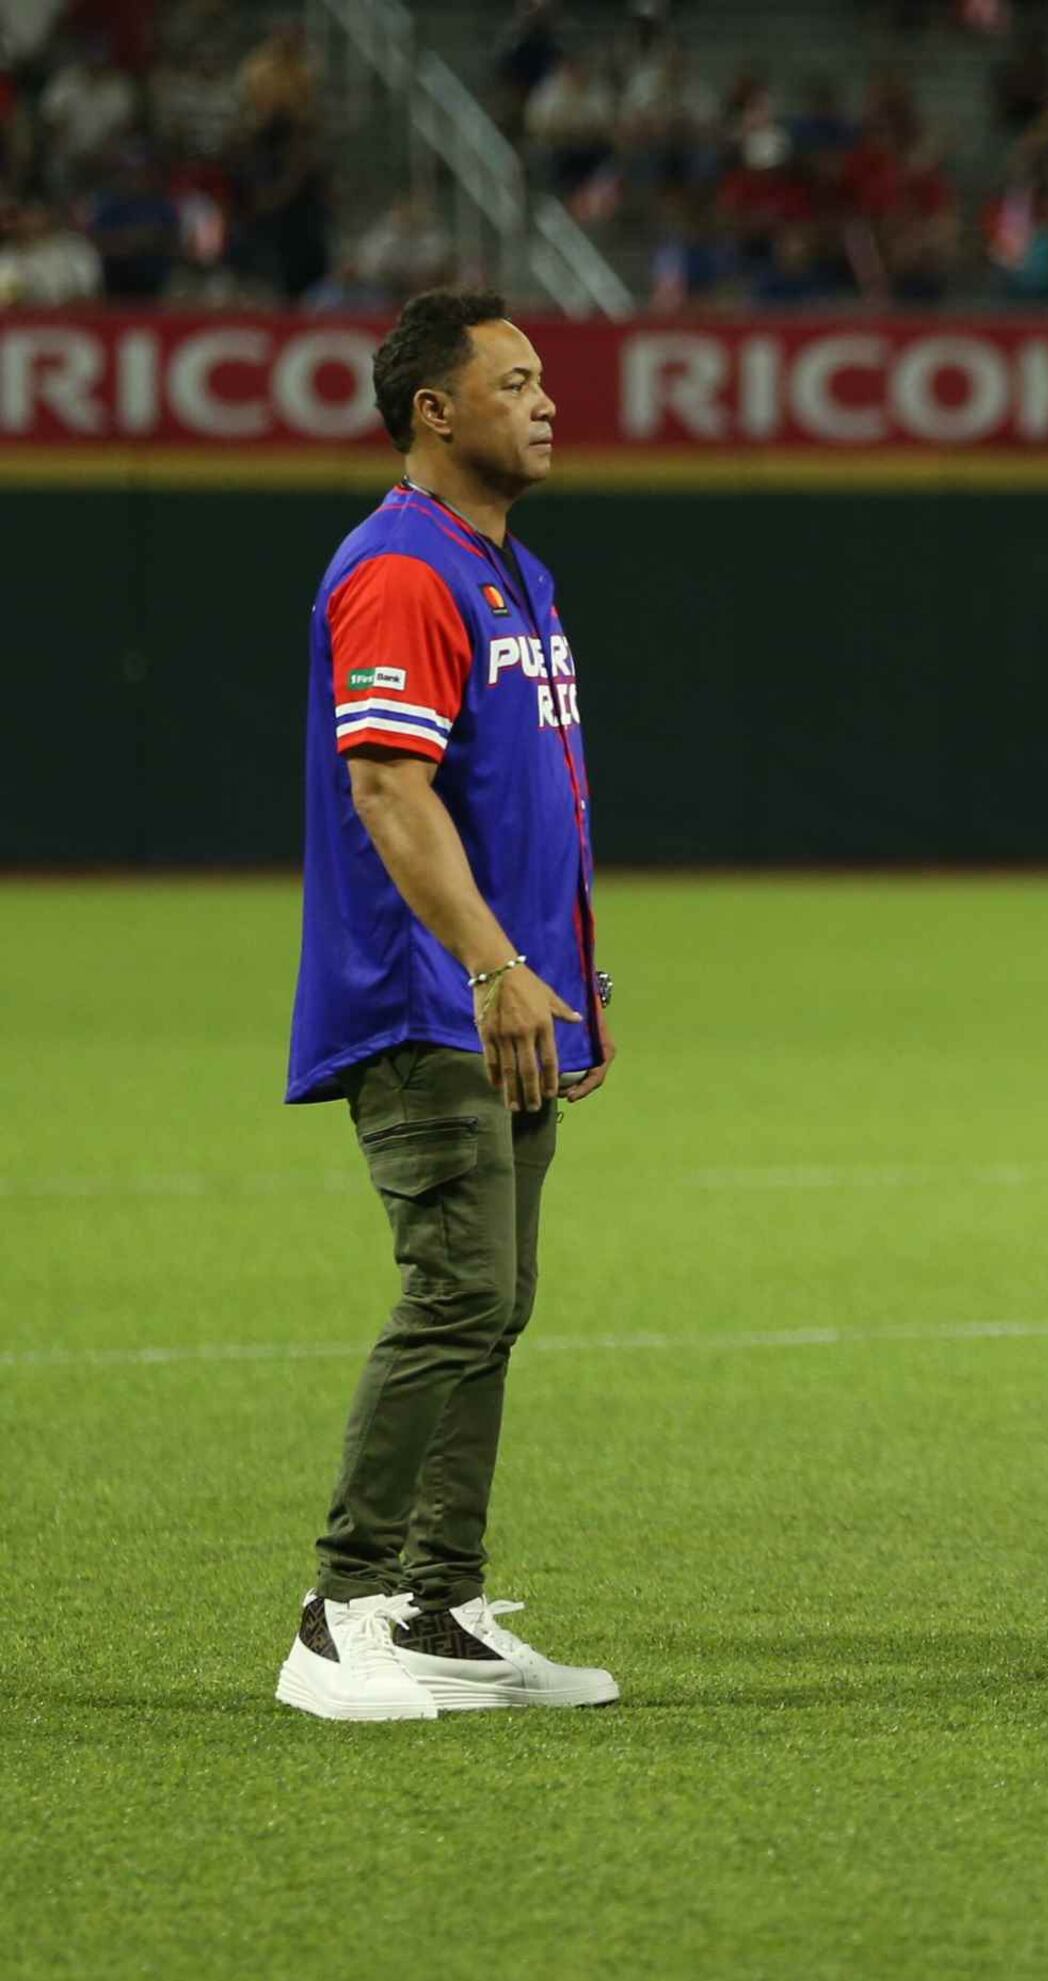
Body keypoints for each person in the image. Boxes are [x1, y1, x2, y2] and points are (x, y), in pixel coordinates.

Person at [278, 289, 619, 1722]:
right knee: (459, 1289)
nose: (547, 402)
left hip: (503, 1000)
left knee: (495, 1301)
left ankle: (438, 1606)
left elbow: (520, 800)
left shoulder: (509, 573)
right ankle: (337, 1607)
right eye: (517, 381)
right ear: (437, 409)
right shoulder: (403, 569)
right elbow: (386, 785)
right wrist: (491, 965)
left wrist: (561, 978)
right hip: (429, 1002)